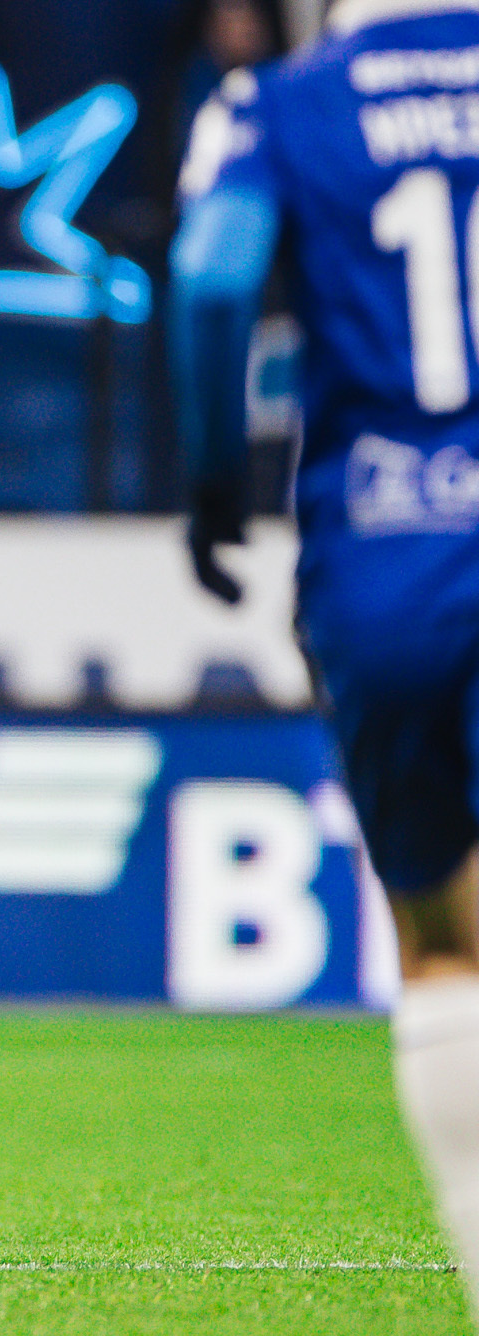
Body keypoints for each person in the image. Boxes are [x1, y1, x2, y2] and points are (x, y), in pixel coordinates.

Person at [171, 0, 479, 1318]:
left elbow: (212, 279)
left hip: (386, 549)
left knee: (446, 944)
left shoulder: (283, 104)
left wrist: (212, 483)